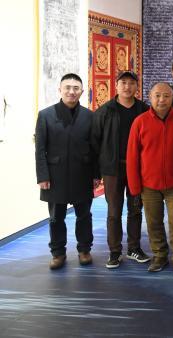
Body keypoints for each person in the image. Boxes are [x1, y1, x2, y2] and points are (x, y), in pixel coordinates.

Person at [127, 82, 173, 277]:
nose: (161, 100)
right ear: (150, 97)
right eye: (157, 95)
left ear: (172, 98)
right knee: (153, 222)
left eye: (166, 96)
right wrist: (135, 187)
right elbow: (132, 156)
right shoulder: (140, 121)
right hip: (149, 184)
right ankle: (160, 255)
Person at [35, 73, 96, 270]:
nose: (71, 91)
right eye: (67, 87)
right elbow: (40, 149)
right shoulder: (46, 115)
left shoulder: (89, 116)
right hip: (55, 176)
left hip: (82, 173)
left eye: (76, 88)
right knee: (56, 218)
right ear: (60, 90)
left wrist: (96, 175)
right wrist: (42, 176)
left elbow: (95, 148)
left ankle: (84, 250)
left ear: (82, 92)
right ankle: (58, 253)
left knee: (84, 216)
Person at [91, 71, 150, 268]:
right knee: (114, 211)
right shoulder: (105, 111)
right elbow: (95, 143)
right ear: (116, 86)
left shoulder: (144, 110)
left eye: (131, 83)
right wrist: (96, 173)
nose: (127, 86)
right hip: (112, 169)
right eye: (123, 82)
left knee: (135, 209)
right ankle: (115, 251)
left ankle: (134, 248)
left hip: (137, 169)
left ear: (136, 87)